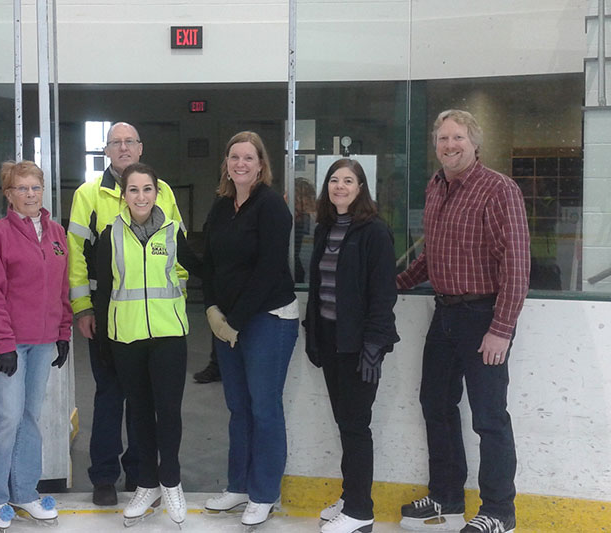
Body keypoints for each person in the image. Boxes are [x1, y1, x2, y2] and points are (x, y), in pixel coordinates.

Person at [396, 109, 530, 533]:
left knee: (489, 417)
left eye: (457, 138)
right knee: (435, 404)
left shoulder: (498, 189)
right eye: (442, 139)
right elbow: (431, 256)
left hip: (483, 316)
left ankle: (498, 512)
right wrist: (393, 284)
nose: (449, 146)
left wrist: (501, 329)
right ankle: (446, 497)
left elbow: (516, 263)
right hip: (446, 314)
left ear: (474, 143)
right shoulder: (435, 187)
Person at [67, 122, 186, 506]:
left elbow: (178, 253)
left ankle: (140, 476)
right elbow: (75, 258)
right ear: (106, 150)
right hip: (105, 312)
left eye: (129, 142)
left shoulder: (162, 191)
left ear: (140, 147)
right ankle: (104, 477)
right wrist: (83, 306)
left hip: (154, 320)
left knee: (143, 400)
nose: (123, 148)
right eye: (115, 142)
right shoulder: (88, 194)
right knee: (109, 395)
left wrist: (174, 304)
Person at [94, 162, 203, 527]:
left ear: (158, 193)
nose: (140, 196)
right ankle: (147, 483)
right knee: (138, 412)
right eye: (133, 190)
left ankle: (170, 480)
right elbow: (105, 290)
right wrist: (105, 342)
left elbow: (194, 271)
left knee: (168, 411)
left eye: (147, 189)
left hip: (168, 337)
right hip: (126, 339)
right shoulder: (110, 235)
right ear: (124, 195)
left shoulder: (173, 233)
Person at [202, 131, 299, 528]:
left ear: (261, 165)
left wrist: (234, 323)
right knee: (238, 408)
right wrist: (211, 309)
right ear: (226, 163)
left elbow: (268, 270)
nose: (240, 164)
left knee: (264, 409)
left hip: (268, 321)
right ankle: (239, 486)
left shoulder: (272, 206)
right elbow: (209, 260)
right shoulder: (222, 207)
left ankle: (264, 494)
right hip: (229, 322)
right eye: (234, 157)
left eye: (249, 157)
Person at [304, 159, 400, 533]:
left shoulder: (374, 232)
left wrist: (374, 345)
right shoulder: (326, 227)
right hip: (330, 340)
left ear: (361, 188)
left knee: (356, 426)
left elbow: (382, 294)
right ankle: (350, 495)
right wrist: (313, 334)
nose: (339, 186)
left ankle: (361, 511)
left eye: (348, 180)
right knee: (345, 424)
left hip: (359, 345)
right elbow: (318, 289)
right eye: (334, 180)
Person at [0, 160, 72, 530]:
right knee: (7, 418)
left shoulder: (56, 234)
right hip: (9, 343)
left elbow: (62, 289)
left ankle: (25, 491)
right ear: (9, 194)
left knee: (30, 418)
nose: (30, 195)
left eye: (35, 187)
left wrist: (63, 333)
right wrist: (2, 343)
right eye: (22, 189)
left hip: (44, 340)